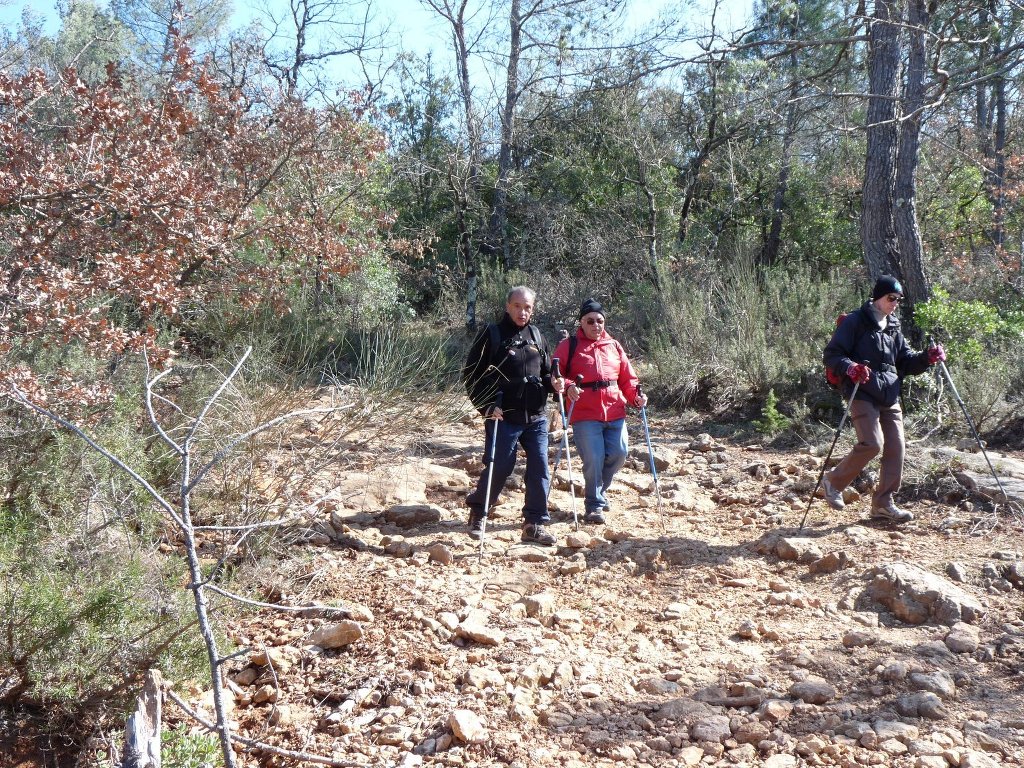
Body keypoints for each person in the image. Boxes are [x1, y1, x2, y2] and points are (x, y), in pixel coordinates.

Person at [821, 275, 946, 523]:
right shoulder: (856, 321)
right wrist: (851, 368)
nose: (895, 303)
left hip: (889, 393)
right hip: (862, 391)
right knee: (872, 443)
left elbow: (905, 361)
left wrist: (926, 358)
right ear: (878, 296)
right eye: (892, 298)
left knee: (896, 447)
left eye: (898, 299)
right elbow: (832, 355)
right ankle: (833, 482)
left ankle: (883, 504)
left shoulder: (893, 325)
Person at [462, 286, 559, 546]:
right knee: (500, 465)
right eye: (517, 306)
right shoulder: (492, 334)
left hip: (536, 417)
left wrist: (558, 386)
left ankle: (534, 524)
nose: (522, 312)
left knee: (539, 468)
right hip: (502, 416)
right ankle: (479, 512)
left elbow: (547, 375)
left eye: (527, 307)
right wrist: (486, 407)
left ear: (533, 309)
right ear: (508, 306)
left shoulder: (537, 335)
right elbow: (471, 376)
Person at [552, 299, 647, 525]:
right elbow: (554, 374)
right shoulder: (569, 345)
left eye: (600, 321)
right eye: (590, 321)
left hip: (615, 410)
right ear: (581, 323)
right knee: (593, 458)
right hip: (584, 412)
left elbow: (628, 378)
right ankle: (593, 505)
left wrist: (636, 396)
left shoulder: (614, 345)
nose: (596, 325)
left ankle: (598, 491)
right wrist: (568, 386)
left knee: (619, 453)